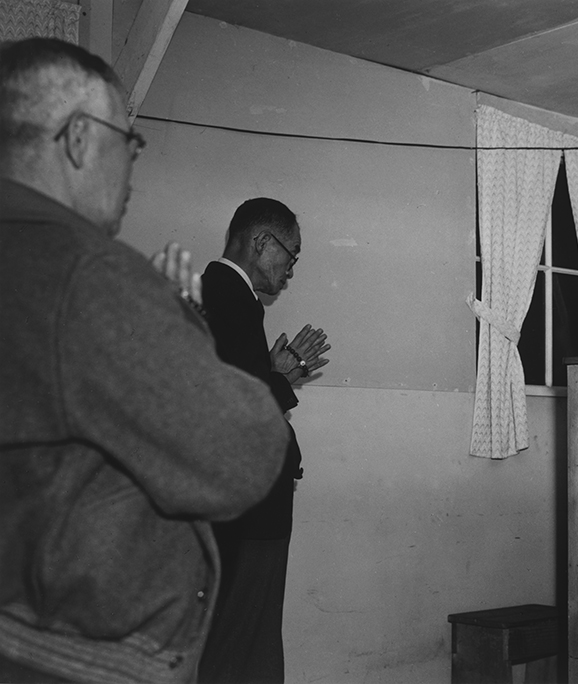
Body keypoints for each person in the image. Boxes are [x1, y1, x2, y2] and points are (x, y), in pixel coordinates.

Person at [0, 37, 290, 683]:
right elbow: (243, 455)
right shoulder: (89, 274)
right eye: (127, 142)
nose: (132, 168)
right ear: (78, 139)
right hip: (83, 656)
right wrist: (180, 319)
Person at [198, 198, 330, 683]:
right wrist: (279, 380)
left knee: (240, 637)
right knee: (242, 641)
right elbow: (229, 409)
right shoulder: (227, 296)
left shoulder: (221, 293)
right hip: (247, 514)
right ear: (260, 242)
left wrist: (271, 374)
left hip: (239, 508)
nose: (291, 269)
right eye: (290, 254)